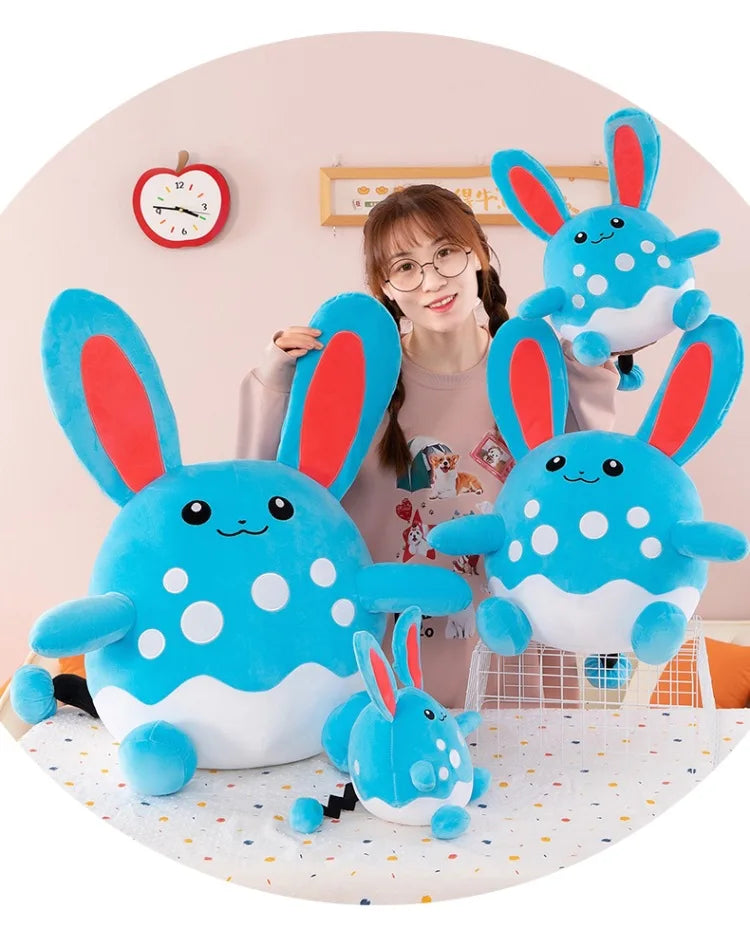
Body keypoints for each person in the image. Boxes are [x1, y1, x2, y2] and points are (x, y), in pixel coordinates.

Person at [237, 184, 619, 710]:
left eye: (445, 253)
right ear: (385, 286)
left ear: (478, 254)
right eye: (406, 267)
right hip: (385, 674)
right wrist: (276, 381)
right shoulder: (356, 384)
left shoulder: (534, 371)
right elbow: (268, 493)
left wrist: (591, 368)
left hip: (518, 667)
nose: (432, 280)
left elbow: (595, 489)